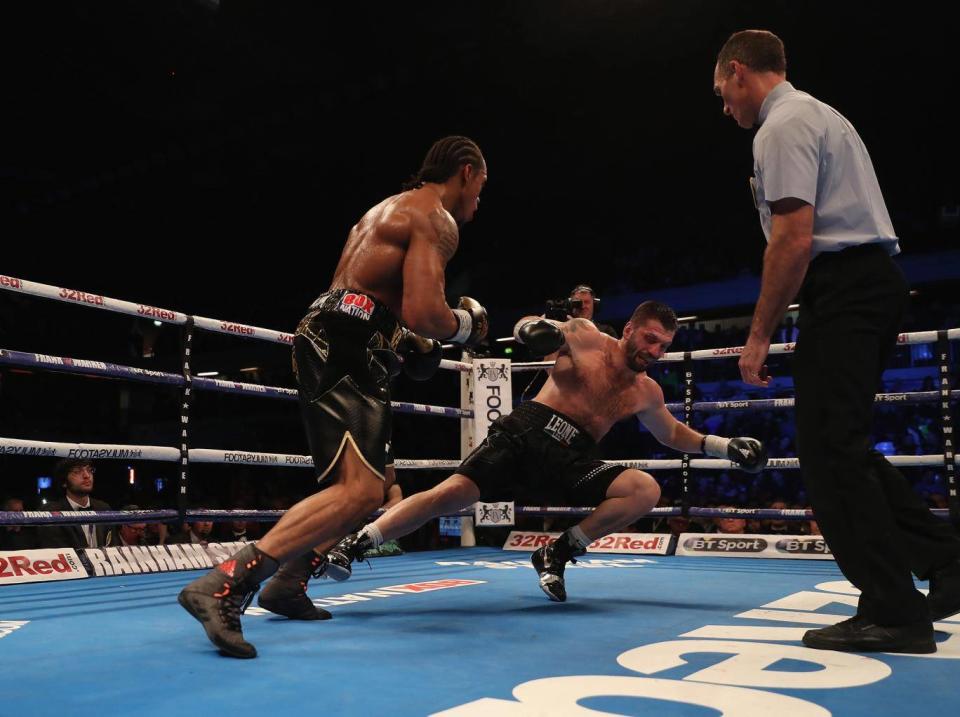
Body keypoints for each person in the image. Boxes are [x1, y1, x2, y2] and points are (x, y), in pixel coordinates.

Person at [178, 135, 490, 658]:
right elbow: (423, 312)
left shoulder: (388, 210)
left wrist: (405, 342)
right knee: (363, 492)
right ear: (465, 171)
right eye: (482, 184)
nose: (481, 197)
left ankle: (289, 581)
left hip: (340, 334)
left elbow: (372, 300)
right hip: (347, 345)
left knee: (377, 480)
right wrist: (467, 326)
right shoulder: (436, 218)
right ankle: (225, 584)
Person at [713, 29, 960, 653]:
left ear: (740, 72)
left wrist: (759, 335)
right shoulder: (819, 114)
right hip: (865, 286)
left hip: (847, 287)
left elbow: (793, 240)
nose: (725, 108)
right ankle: (946, 561)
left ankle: (892, 609)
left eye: (723, 92)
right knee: (842, 446)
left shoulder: (782, 124)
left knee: (828, 455)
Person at [325, 301, 767, 602]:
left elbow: (671, 434)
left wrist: (725, 446)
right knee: (452, 494)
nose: (654, 351)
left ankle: (557, 552)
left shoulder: (646, 391)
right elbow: (531, 327)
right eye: (649, 339)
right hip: (526, 434)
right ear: (630, 329)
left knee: (643, 489)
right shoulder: (588, 338)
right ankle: (358, 543)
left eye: (664, 346)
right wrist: (531, 331)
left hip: (572, 459)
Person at [37, 459, 111, 549]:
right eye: (77, 471)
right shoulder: (52, 512)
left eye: (89, 470)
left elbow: (112, 546)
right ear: (64, 482)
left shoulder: (104, 508)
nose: (87, 476)